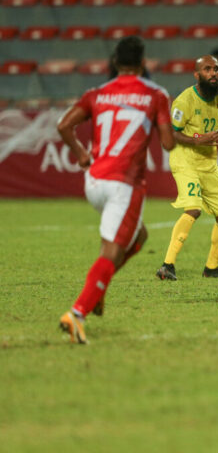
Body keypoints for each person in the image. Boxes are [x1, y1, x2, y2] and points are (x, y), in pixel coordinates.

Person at [57, 36, 175, 344]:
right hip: (124, 184)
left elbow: (63, 125)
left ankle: (98, 290)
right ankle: (78, 312)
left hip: (93, 181)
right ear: (143, 61)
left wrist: (81, 154)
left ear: (114, 61)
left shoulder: (97, 93)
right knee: (112, 251)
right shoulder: (155, 94)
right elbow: (168, 143)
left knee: (140, 237)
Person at [156, 55, 218, 281]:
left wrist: (205, 142)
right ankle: (167, 265)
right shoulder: (184, 101)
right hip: (185, 160)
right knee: (194, 209)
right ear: (197, 75)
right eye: (207, 69)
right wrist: (198, 140)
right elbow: (170, 134)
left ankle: (211, 268)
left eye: (216, 69)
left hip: (208, 163)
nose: (213, 73)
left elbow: (216, 129)